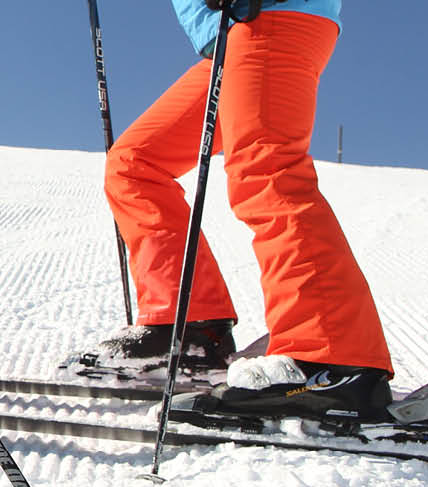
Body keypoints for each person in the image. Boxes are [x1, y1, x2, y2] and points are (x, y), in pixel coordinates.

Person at [96, 0, 396, 421]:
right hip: (228, 37)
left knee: (266, 169)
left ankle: (328, 361)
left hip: (271, 14)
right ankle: (189, 334)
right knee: (133, 164)